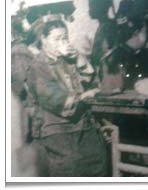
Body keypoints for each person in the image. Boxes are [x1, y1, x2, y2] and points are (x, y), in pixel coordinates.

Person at [25, 14, 108, 177]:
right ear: (43, 39)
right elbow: (54, 100)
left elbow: (93, 82)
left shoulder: (68, 60)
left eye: (65, 38)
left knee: (100, 162)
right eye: (57, 39)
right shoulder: (37, 67)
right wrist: (83, 97)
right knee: (72, 168)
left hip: (83, 124)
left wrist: (79, 58)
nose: (63, 43)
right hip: (56, 130)